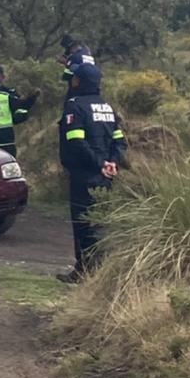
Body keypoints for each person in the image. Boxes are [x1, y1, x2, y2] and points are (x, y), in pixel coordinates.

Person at [57, 62, 127, 284]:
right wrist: (112, 163)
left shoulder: (75, 106)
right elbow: (119, 141)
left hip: (84, 175)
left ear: (78, 81)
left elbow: (76, 141)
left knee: (83, 223)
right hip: (107, 176)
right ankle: (100, 272)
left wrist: (99, 164)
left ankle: (83, 271)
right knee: (101, 222)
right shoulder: (107, 107)